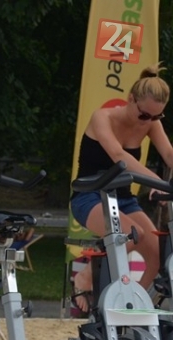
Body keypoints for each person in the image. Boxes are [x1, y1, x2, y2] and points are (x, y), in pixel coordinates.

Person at [69, 63, 173, 315]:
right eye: (145, 115)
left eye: (156, 117)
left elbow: (170, 154)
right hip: (90, 196)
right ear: (131, 99)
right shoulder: (102, 117)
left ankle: (134, 306)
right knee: (132, 233)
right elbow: (119, 156)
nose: (149, 121)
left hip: (123, 199)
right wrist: (155, 182)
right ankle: (85, 276)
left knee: (158, 254)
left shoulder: (150, 122)